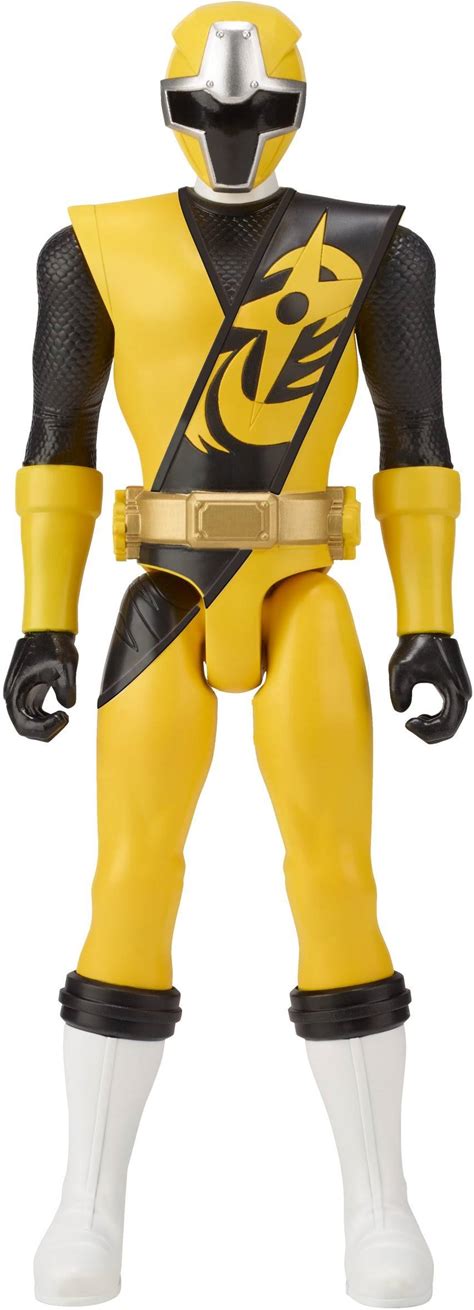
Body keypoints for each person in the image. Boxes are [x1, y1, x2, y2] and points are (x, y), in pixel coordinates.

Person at [5, 5, 470, 1306]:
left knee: (337, 876)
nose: (231, 134)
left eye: (259, 112)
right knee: (128, 877)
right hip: (162, 596)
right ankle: (86, 1202)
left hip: (307, 593)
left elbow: (417, 441)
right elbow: (57, 440)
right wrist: (43, 617)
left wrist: (428, 617)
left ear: (295, 111)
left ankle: (380, 1201)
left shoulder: (378, 252)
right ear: (168, 108)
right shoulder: (89, 252)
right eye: (206, 112)